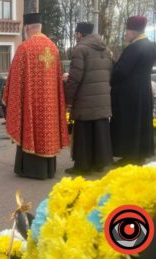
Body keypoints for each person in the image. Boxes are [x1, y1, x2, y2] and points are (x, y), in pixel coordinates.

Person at [3, 13, 69, 179]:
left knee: (31, 128)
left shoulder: (25, 48)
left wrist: (13, 97)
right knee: (47, 130)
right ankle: (48, 169)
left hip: (32, 103)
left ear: (27, 28)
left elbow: (15, 81)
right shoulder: (53, 48)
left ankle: (31, 170)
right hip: (50, 105)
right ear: (40, 26)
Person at [64, 22, 113, 175]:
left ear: (79, 34)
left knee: (83, 133)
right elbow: (110, 73)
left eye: (76, 33)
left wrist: (69, 100)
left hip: (85, 100)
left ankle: (82, 166)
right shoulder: (105, 49)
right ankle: (99, 163)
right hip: (102, 100)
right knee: (99, 131)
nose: (75, 36)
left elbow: (75, 78)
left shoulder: (80, 49)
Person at [110, 16, 156, 165]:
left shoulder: (134, 47)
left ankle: (130, 156)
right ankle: (140, 154)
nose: (126, 34)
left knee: (129, 124)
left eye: (127, 31)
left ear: (134, 31)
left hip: (130, 94)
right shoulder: (149, 45)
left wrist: (112, 63)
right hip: (143, 90)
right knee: (141, 123)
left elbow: (121, 72)